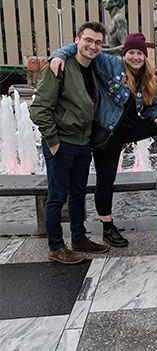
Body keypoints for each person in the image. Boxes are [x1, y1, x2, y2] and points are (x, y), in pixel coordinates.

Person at [50, 33, 157, 248]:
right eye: (131, 52)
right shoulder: (111, 64)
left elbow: (153, 106)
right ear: (125, 55)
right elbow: (84, 49)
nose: (136, 57)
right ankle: (107, 226)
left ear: (145, 56)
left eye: (140, 53)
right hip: (108, 132)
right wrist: (59, 55)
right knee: (106, 181)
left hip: (130, 129)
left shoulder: (147, 77)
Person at [30, 22, 110, 264]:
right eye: (88, 40)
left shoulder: (94, 67)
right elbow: (39, 109)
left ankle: (78, 238)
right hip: (62, 143)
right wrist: (53, 142)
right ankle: (56, 247)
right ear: (77, 39)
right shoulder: (59, 67)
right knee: (57, 197)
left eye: (97, 42)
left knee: (78, 194)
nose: (92, 46)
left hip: (82, 143)